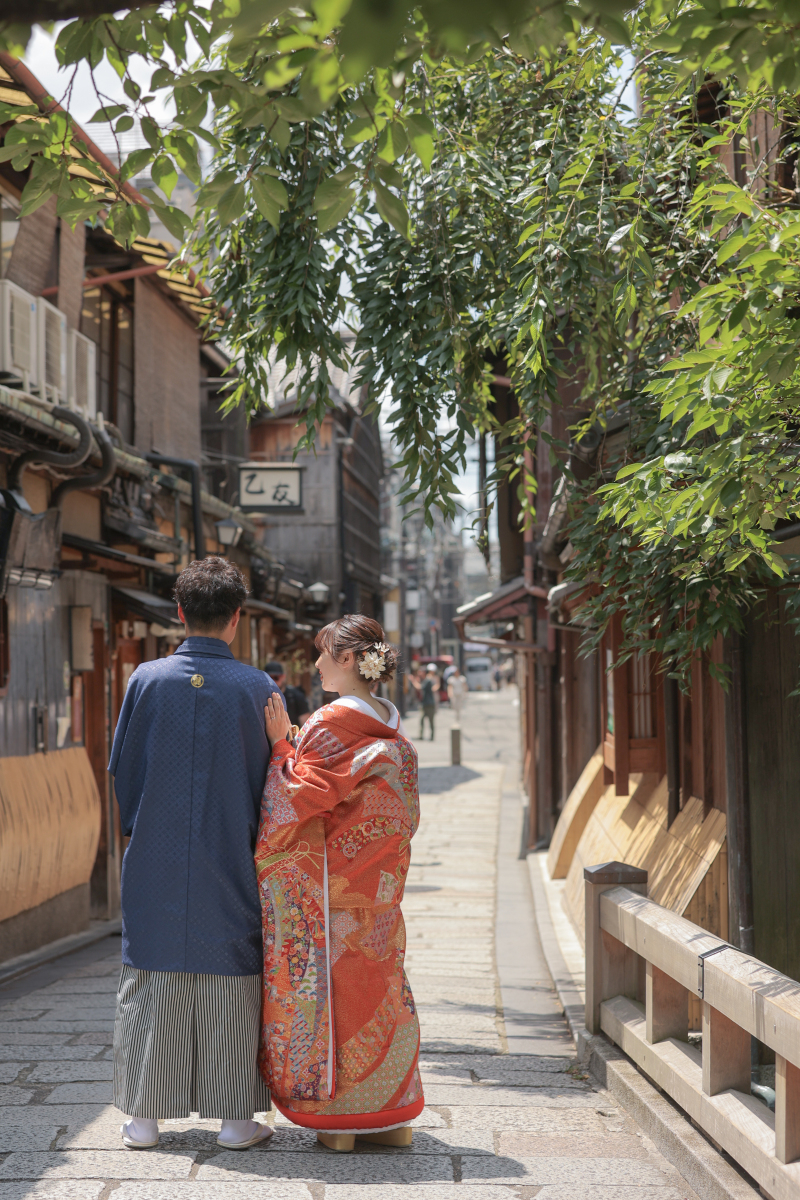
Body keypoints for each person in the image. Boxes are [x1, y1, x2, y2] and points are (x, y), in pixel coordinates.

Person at [109, 557, 284, 1152]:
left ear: (179, 614)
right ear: (237, 619)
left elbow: (123, 772)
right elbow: (277, 784)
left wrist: (144, 825)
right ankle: (237, 1123)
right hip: (232, 850)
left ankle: (143, 1121)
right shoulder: (259, 687)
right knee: (233, 971)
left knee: (151, 971)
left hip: (155, 851)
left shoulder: (145, 680)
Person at [257, 614, 424, 1152]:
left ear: (351, 660)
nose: (318, 663)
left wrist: (283, 745)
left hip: (332, 889)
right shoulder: (389, 725)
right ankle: (394, 1116)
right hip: (377, 891)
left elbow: (297, 797)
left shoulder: (332, 723)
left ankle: (343, 1121)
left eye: (325, 654)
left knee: (338, 1000)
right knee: (380, 988)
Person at [265, 660, 312, 726]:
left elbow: (306, 726)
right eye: (269, 678)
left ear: (283, 677)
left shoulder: (296, 696)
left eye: (276, 678)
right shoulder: (261, 697)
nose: (272, 681)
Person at [419, 662, 439, 740]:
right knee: (423, 720)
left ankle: (431, 736)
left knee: (430, 720)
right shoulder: (426, 679)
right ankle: (423, 735)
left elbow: (437, 686)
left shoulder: (428, 679)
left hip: (430, 702)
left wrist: (413, 680)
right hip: (427, 702)